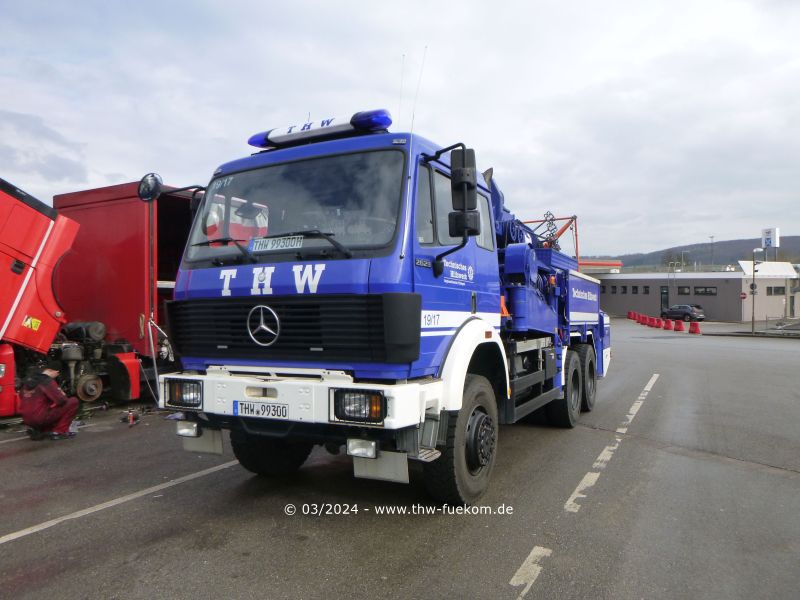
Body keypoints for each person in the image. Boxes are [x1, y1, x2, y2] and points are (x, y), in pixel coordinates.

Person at [19, 361, 79, 440]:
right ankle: (59, 431)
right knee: (73, 401)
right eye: (57, 374)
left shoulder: (28, 381)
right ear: (55, 372)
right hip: (40, 417)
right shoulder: (47, 381)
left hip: (26, 419)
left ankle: (40, 430)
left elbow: (22, 396)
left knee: (46, 406)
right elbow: (61, 400)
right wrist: (62, 393)